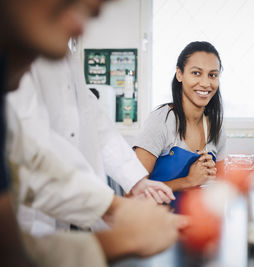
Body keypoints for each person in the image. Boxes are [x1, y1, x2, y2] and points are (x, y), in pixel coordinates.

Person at [0, 0, 184, 266]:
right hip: (40, 216)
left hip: (76, 210)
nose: (94, 12)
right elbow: (29, 165)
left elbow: (88, 120)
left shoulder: (57, 52)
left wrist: (128, 191)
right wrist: (118, 231)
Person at [7, 49, 175, 235]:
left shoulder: (67, 59)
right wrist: (114, 208)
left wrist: (135, 181)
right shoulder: (16, 54)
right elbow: (30, 152)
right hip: (30, 219)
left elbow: (95, 121)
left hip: (76, 211)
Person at [134, 41, 227, 205]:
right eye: (196, 73)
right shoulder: (161, 121)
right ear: (179, 74)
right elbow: (132, 196)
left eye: (212, 75)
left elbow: (222, 190)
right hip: (155, 225)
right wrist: (188, 181)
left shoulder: (216, 127)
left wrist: (212, 178)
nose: (205, 83)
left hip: (197, 225)